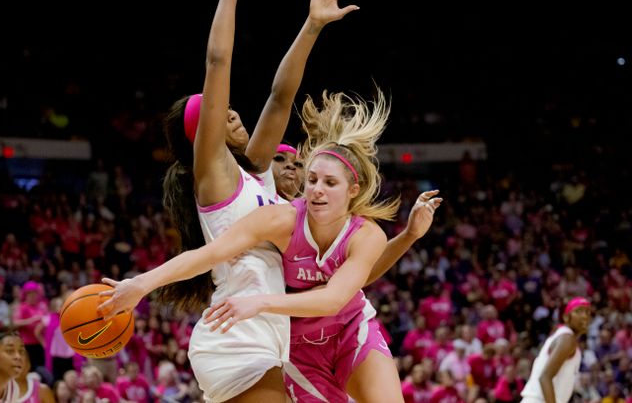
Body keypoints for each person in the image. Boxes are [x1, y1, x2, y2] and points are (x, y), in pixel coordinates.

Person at [132, 0, 360, 403]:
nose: (230, 112)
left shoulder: (256, 169)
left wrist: (313, 25)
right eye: (215, 113)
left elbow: (281, 96)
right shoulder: (213, 175)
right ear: (205, 135)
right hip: (237, 335)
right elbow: (218, 63)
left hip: (264, 327)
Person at [101, 90, 442, 403]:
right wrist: (141, 283)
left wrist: (260, 302)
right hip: (298, 348)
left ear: (353, 190)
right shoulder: (279, 220)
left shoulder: (367, 233)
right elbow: (208, 254)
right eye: (311, 180)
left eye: (329, 183)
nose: (316, 190)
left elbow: (337, 296)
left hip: (350, 327)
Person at [520, 297, 592, 403]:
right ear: (566, 317)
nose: (585, 316)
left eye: (587, 312)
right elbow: (545, 377)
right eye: (579, 311)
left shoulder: (562, 336)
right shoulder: (567, 338)